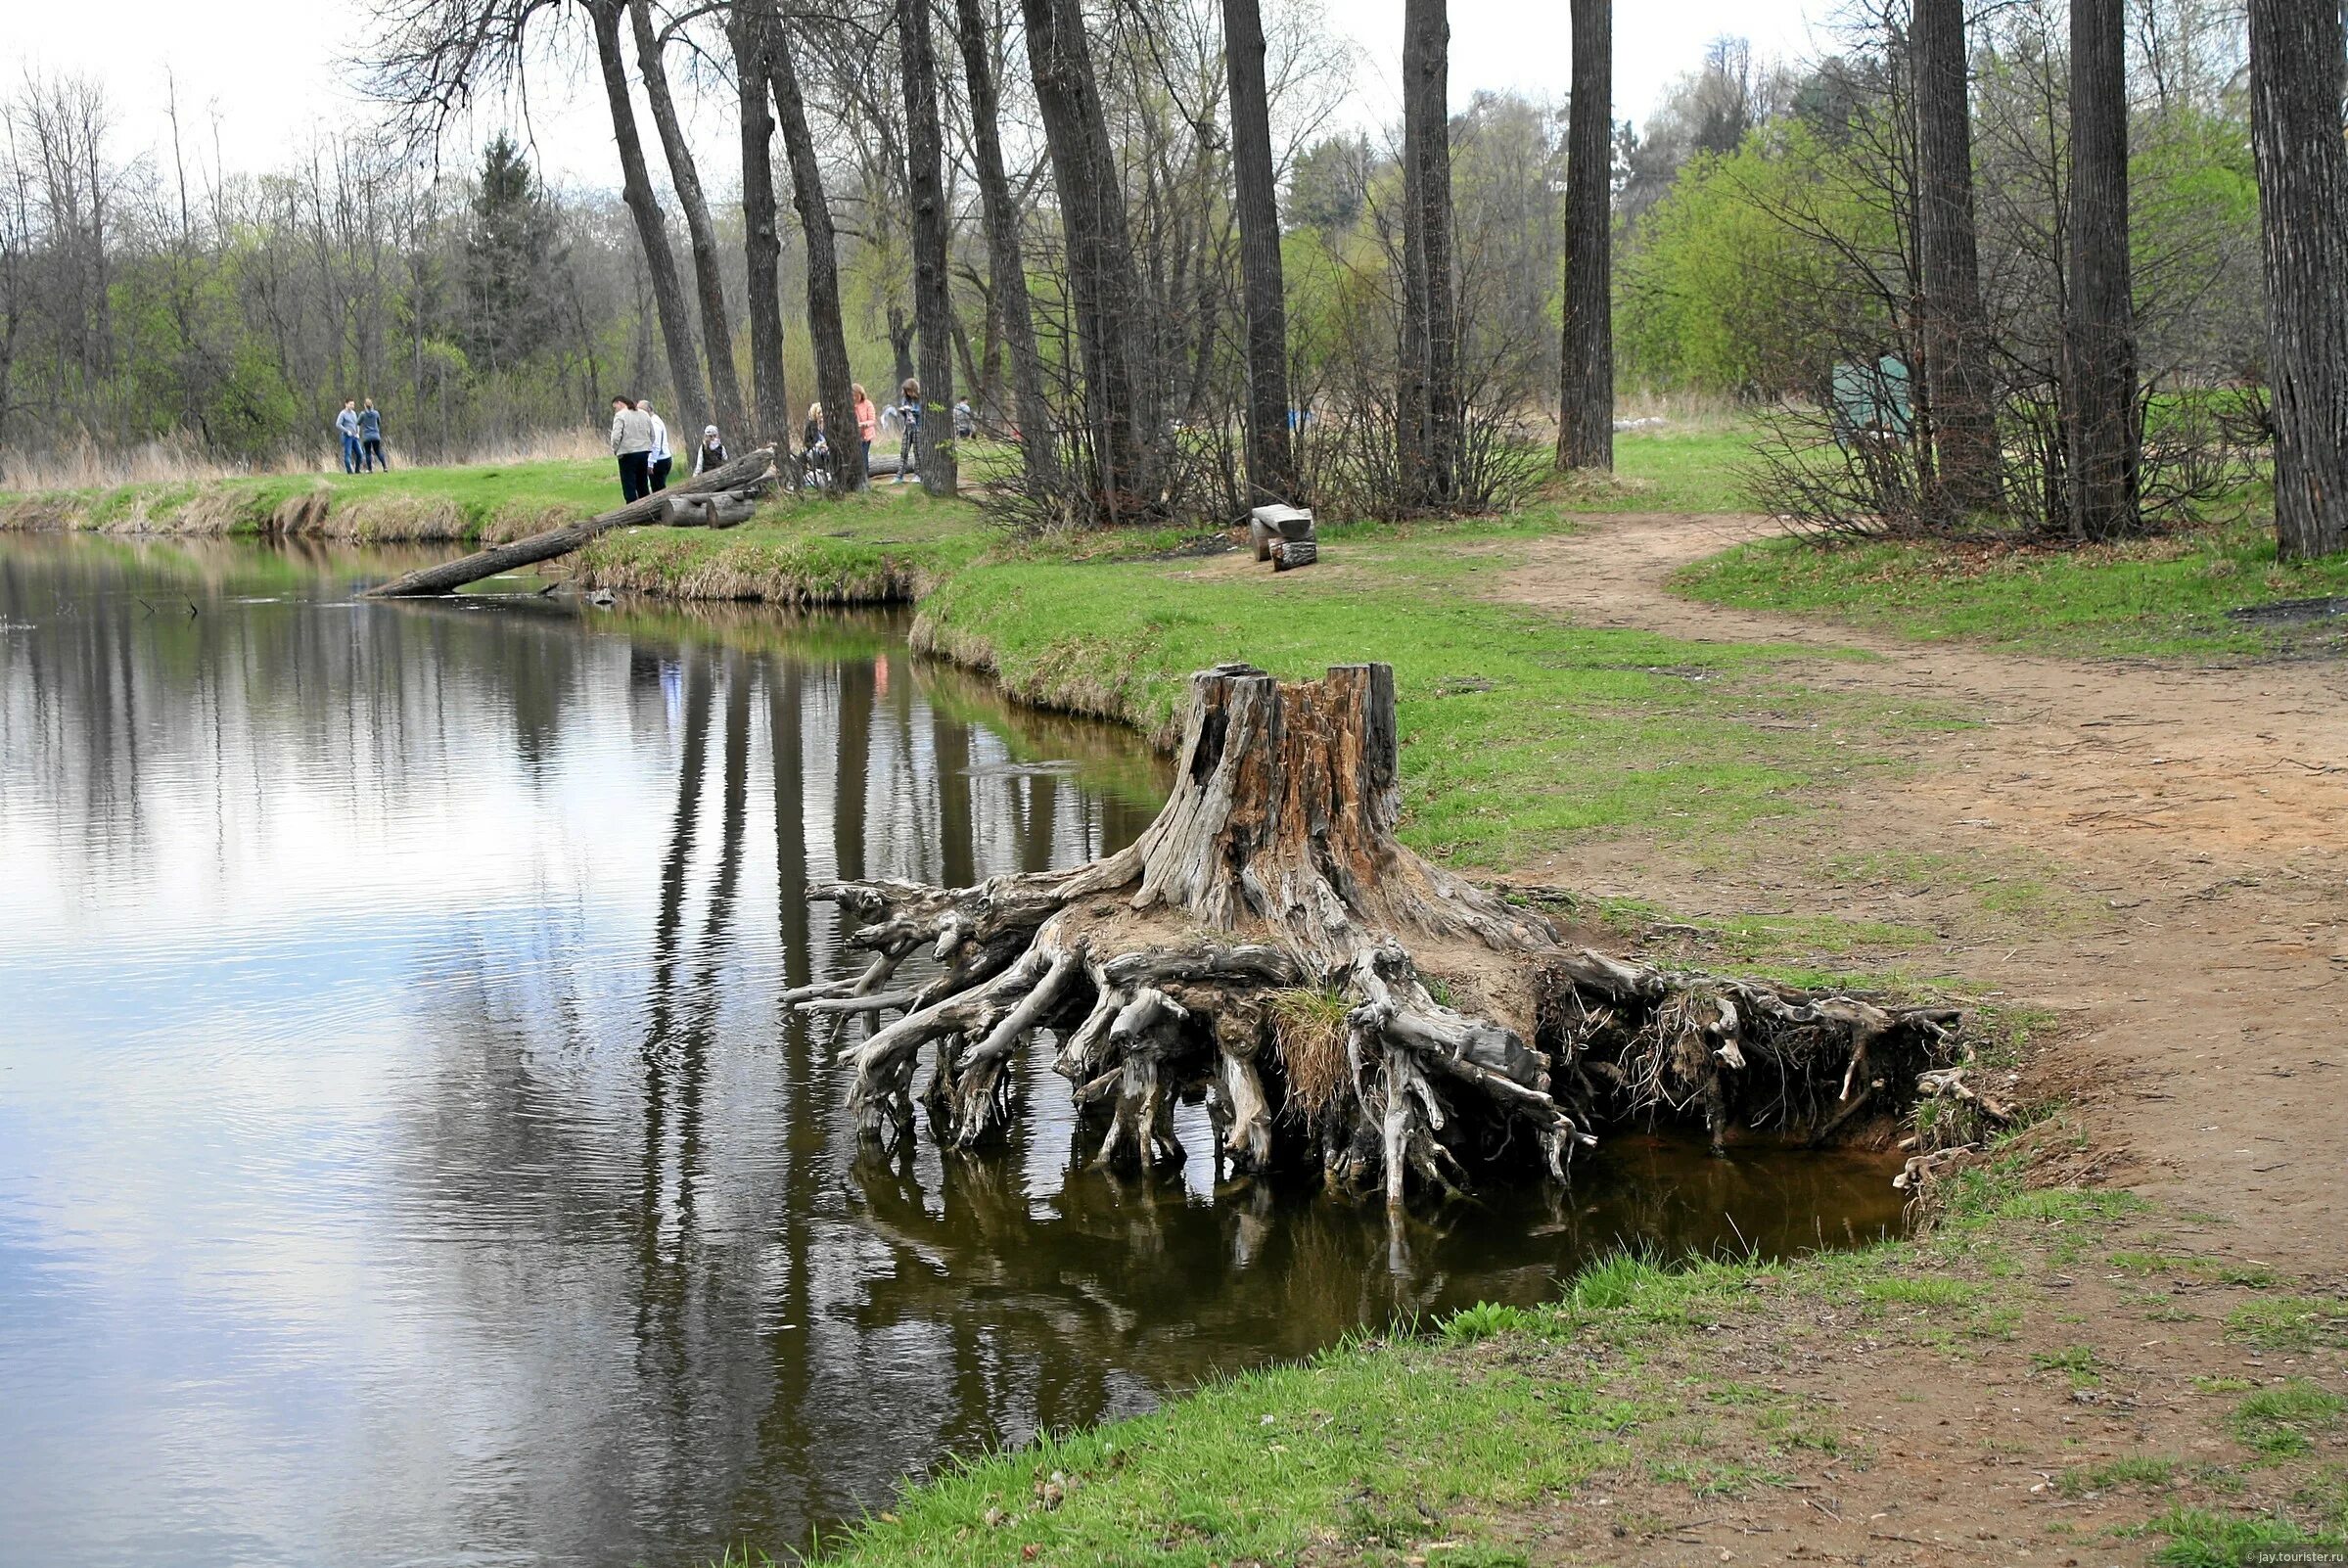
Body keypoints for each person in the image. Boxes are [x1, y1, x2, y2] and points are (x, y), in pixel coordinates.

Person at [608, 394, 657, 502]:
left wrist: (616, 450)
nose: (615, 410)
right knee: (642, 483)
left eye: (615, 407)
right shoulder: (644, 414)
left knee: (629, 485)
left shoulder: (620, 416)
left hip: (627, 453)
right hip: (644, 452)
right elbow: (652, 435)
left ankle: (631, 508)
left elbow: (616, 437)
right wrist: (647, 446)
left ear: (620, 403)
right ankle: (647, 508)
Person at [891, 377, 922, 485]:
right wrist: (903, 410)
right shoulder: (905, 399)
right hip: (907, 428)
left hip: (918, 428)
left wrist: (912, 410)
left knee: (918, 452)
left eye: (910, 390)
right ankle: (899, 475)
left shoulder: (920, 399)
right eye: (907, 391)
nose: (908, 393)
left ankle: (918, 475)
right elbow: (905, 414)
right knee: (904, 452)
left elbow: (921, 412)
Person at [638, 399, 672, 490]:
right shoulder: (652, 421)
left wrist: (650, 464)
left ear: (648, 410)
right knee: (657, 487)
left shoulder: (654, 423)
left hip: (660, 460)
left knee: (658, 490)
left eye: (641, 410)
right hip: (660, 459)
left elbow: (656, 445)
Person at [852, 383, 879, 484]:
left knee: (863, 456)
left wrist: (862, 424)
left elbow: (872, 420)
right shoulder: (851, 405)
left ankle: (865, 478)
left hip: (866, 435)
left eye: (856, 395)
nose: (854, 398)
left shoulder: (868, 404)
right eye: (853, 395)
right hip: (854, 436)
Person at [801, 402, 831, 487]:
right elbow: (807, 442)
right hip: (815, 448)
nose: (821, 415)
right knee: (812, 454)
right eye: (819, 413)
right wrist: (815, 446)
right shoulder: (811, 426)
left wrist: (826, 446)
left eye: (822, 412)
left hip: (827, 448)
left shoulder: (829, 424)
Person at [357, 399, 388, 472]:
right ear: (372, 405)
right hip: (375, 435)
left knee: (368, 452)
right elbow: (379, 422)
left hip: (367, 436)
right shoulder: (376, 413)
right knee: (377, 451)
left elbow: (358, 423)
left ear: (365, 406)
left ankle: (370, 469)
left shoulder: (362, 414)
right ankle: (385, 467)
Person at [334, 400, 361, 474]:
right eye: (350, 404)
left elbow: (357, 423)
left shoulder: (354, 413)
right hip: (347, 436)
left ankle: (357, 470)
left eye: (353, 404)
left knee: (360, 453)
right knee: (348, 454)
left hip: (355, 436)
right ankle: (349, 471)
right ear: (346, 404)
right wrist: (346, 431)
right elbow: (338, 424)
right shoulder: (343, 414)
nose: (352, 406)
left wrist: (358, 432)